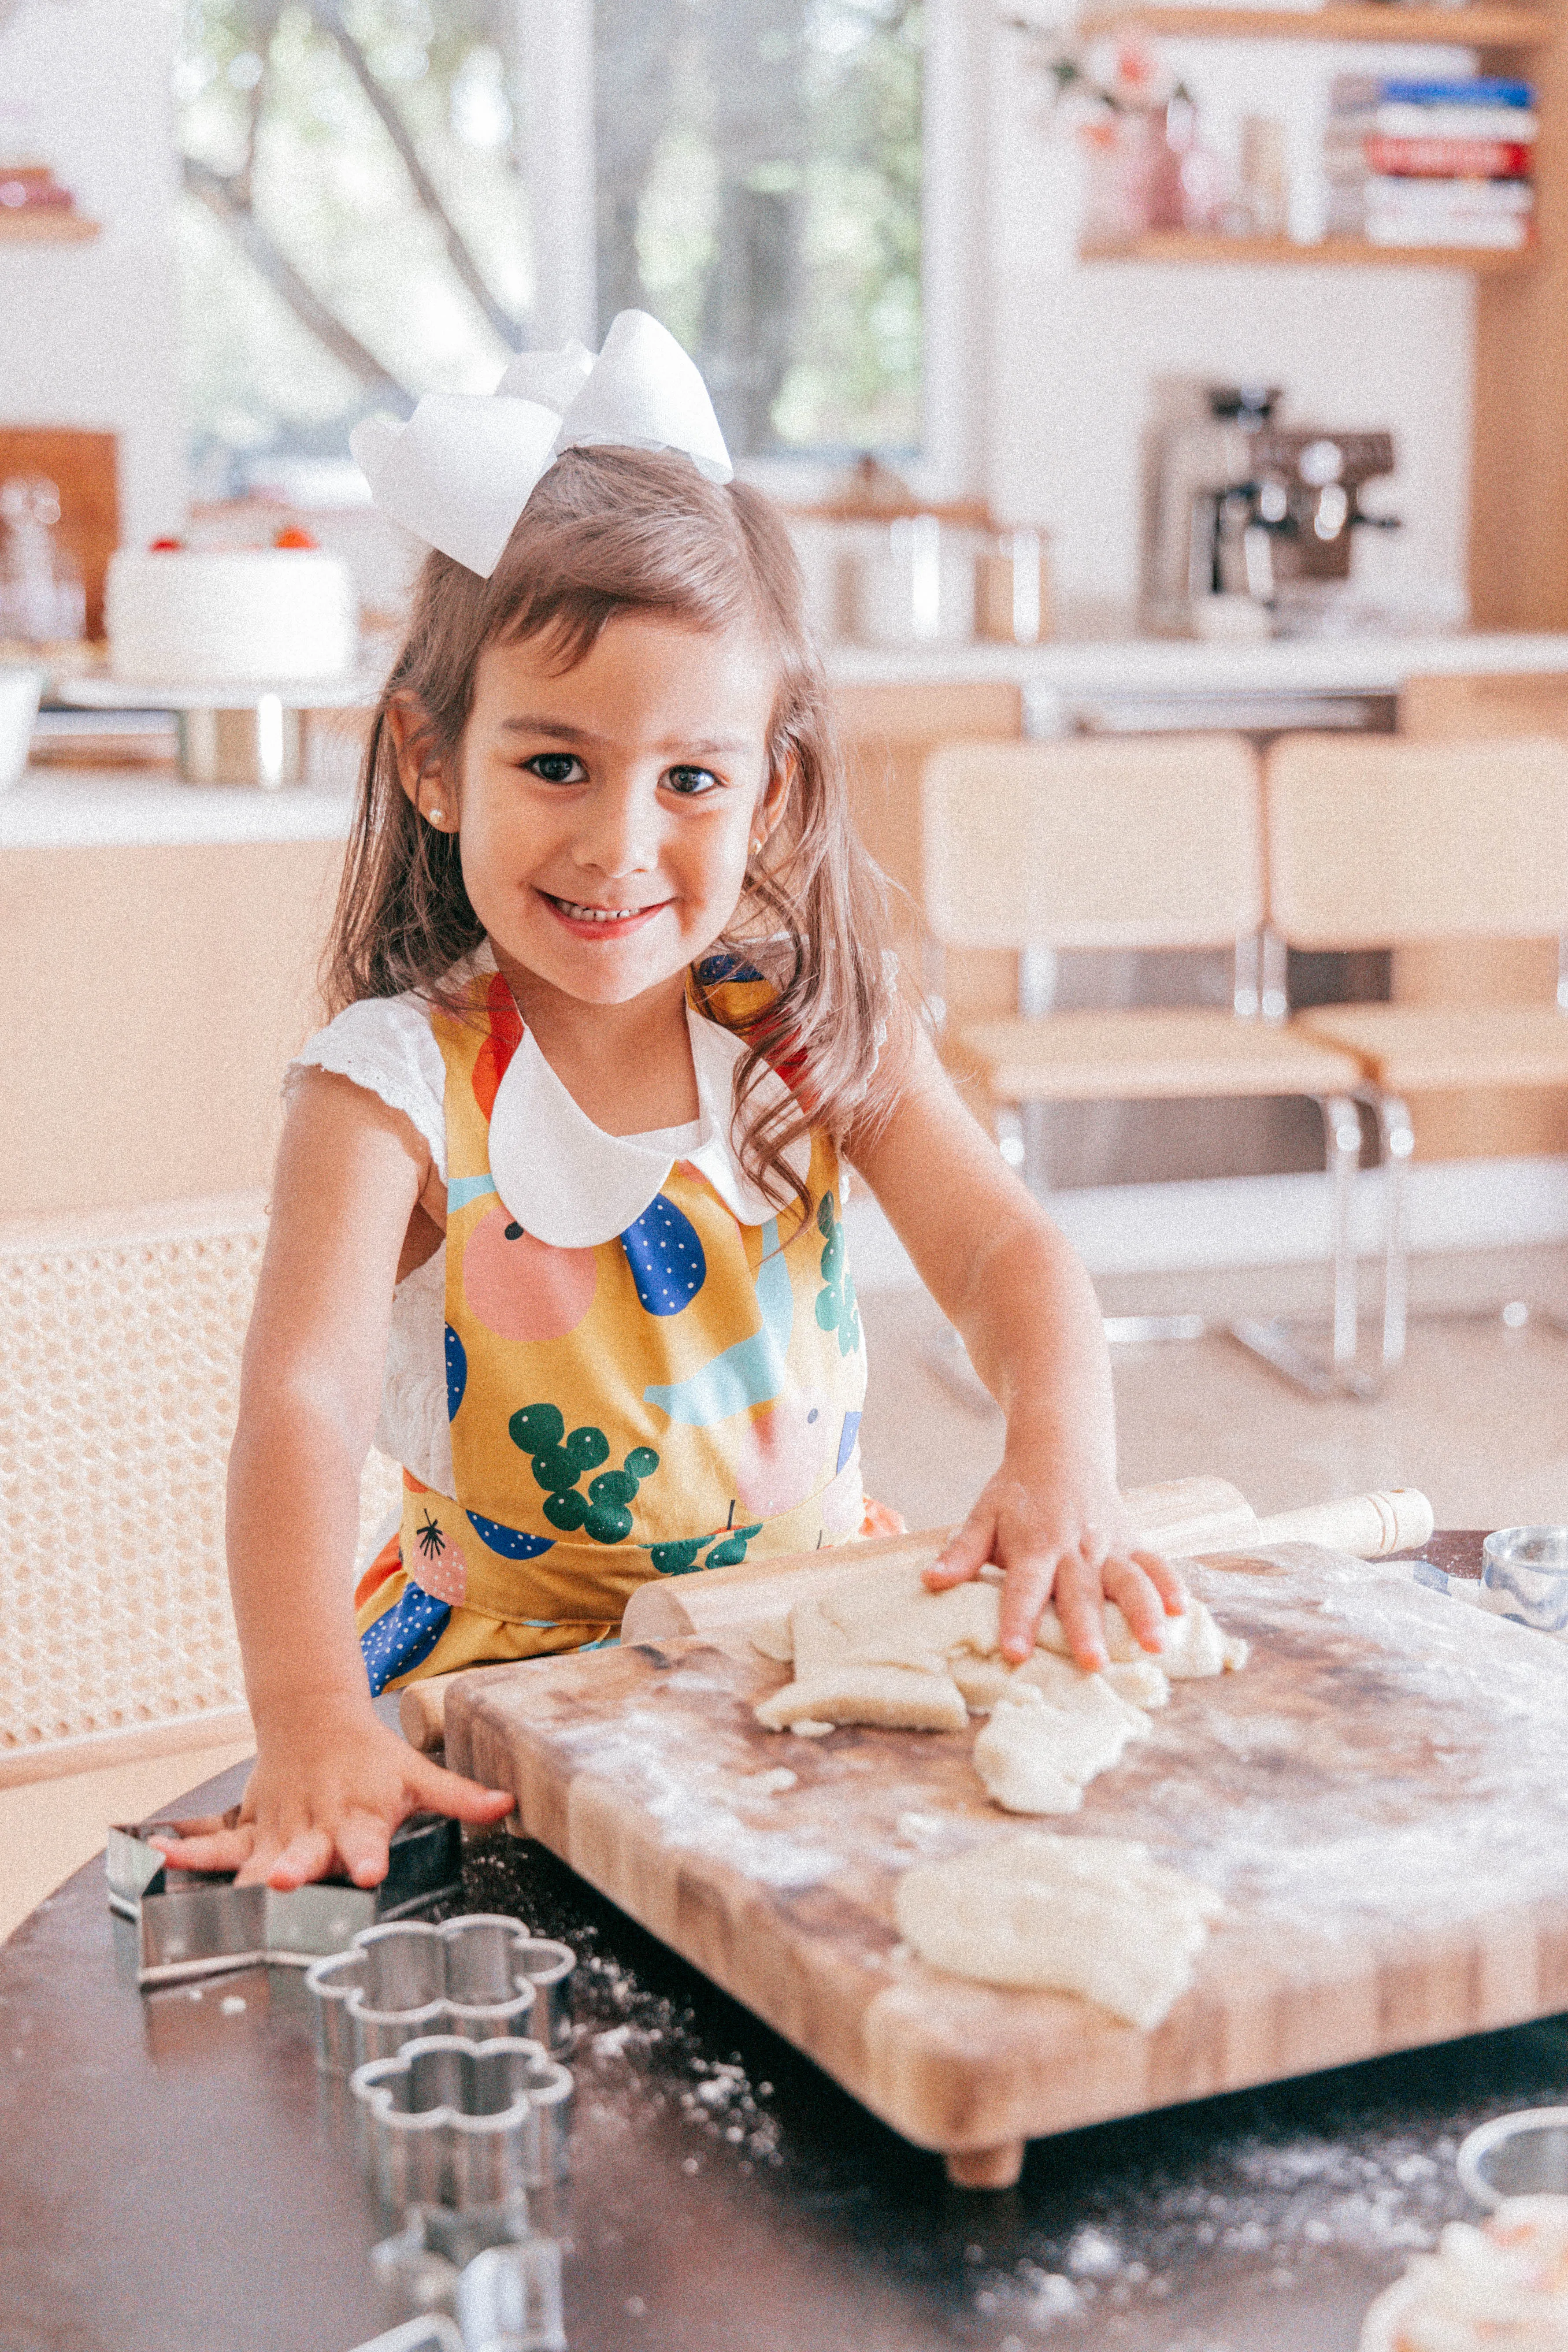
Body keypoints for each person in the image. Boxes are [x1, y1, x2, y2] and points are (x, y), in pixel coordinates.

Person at [154, 314, 1183, 1895]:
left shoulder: (811, 1023)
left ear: (767, 786)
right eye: (556, 765)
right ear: (435, 764)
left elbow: (1001, 1257)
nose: (621, 845)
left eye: (688, 780)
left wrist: (1062, 1454)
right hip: (502, 1698)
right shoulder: (388, 1089)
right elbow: (293, 1409)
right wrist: (304, 1722)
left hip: (798, 1649)